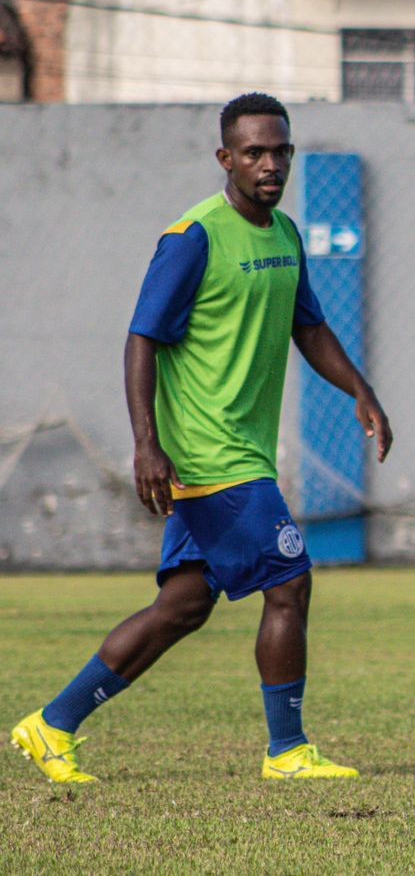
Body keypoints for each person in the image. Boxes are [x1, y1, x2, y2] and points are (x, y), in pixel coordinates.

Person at [9, 93, 392, 783]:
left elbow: (310, 326)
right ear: (226, 159)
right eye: (254, 153)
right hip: (209, 456)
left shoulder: (285, 234)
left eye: (280, 151)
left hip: (241, 452)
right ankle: (287, 751)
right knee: (290, 582)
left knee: (181, 608)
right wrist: (146, 445)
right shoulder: (193, 238)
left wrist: (359, 390)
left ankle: (51, 724)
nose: (269, 165)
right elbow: (141, 340)